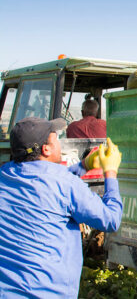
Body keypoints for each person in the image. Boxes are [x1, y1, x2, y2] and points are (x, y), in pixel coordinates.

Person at [0, 117, 122, 298]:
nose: (59, 143)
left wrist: (84, 165)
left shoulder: (4, 175)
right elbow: (111, 219)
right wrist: (110, 172)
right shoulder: (65, 184)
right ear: (46, 148)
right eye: (56, 138)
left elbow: (45, 182)